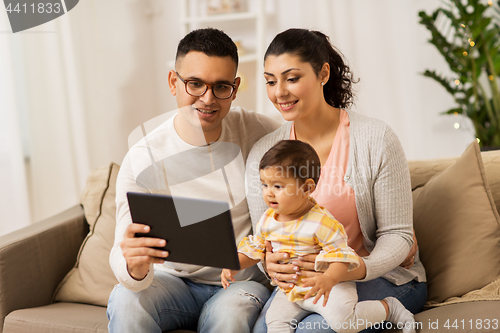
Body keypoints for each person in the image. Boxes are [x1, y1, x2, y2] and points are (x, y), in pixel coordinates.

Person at [245, 28, 427, 333]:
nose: (279, 92)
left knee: (313, 331)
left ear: (323, 74)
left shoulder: (376, 139)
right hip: (303, 285)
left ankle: (389, 310)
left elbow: (399, 236)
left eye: (292, 78)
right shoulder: (263, 153)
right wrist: (269, 264)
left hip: (380, 278)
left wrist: (354, 269)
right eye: (270, 81)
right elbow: (263, 238)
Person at [107, 28, 280, 333]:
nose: (208, 99)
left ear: (235, 87)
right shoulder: (143, 157)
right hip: (172, 281)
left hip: (239, 284)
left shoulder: (261, 133)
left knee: (232, 313)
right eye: (195, 84)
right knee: (125, 299)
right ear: (174, 82)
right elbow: (123, 242)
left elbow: (311, 156)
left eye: (221, 86)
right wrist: (134, 267)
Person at [223, 140, 416, 333]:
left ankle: (389, 308)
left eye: (278, 186)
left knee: (344, 322)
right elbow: (256, 249)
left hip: (329, 286)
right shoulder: (268, 220)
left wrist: (329, 279)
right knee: (274, 322)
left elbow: (341, 257)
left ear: (307, 188)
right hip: (292, 290)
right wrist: (235, 264)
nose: (268, 193)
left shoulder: (321, 222)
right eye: (264, 185)